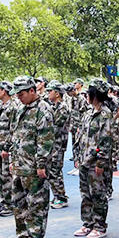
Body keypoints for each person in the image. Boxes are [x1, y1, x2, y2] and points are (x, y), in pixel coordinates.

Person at [5, 76, 54, 238]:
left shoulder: (43, 110)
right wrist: (12, 159)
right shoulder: (21, 109)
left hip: (34, 167)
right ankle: (23, 235)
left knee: (36, 204)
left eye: (22, 93)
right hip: (20, 165)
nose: (19, 96)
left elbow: (45, 140)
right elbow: (16, 135)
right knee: (19, 203)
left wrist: (41, 164)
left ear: (32, 91)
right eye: (17, 93)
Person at [73, 79, 113, 238]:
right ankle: (87, 223)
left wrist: (101, 162)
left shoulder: (105, 114)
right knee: (85, 194)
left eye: (89, 93)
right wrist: (77, 157)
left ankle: (99, 225)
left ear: (95, 95)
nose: (86, 96)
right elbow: (80, 136)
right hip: (84, 160)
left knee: (98, 194)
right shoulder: (89, 113)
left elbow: (106, 140)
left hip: (95, 162)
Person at [0, 81, 17, 217]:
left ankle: (11, 204)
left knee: (8, 177)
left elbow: (13, 130)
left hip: (6, 149)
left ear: (4, 91)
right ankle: (3, 202)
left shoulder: (13, 107)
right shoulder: (2, 106)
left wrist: (7, 148)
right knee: (0, 176)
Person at [46, 80, 70, 209]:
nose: (48, 93)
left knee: (55, 170)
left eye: (50, 91)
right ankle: (58, 195)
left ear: (57, 93)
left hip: (58, 144)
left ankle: (61, 197)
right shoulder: (54, 106)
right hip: (53, 143)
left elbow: (54, 126)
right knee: (52, 170)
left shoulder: (62, 107)